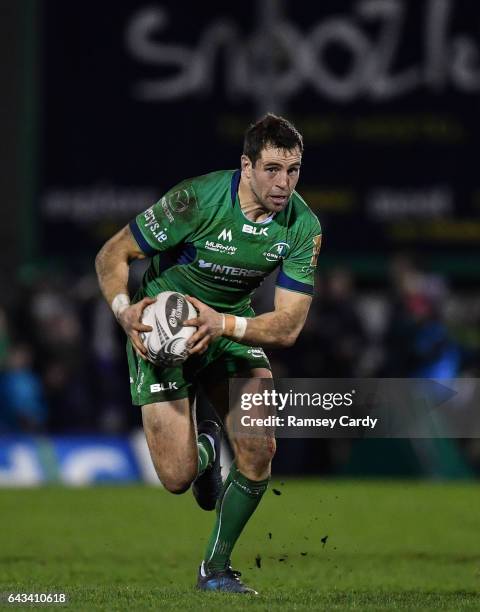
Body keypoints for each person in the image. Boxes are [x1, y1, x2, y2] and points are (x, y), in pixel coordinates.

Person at [95, 114, 322, 594]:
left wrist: (223, 325)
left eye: (294, 169)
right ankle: (205, 448)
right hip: (161, 334)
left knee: (260, 449)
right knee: (177, 477)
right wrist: (123, 311)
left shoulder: (302, 225)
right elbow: (112, 255)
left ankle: (215, 571)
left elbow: (288, 326)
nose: (284, 183)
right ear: (246, 165)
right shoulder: (196, 200)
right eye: (272, 169)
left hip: (227, 328)